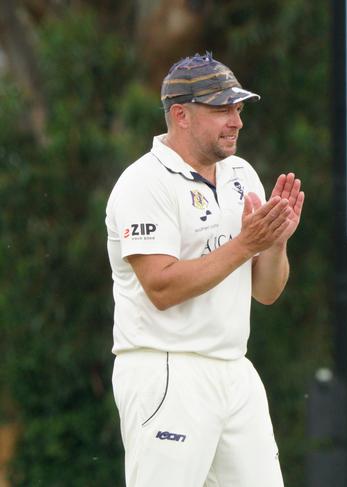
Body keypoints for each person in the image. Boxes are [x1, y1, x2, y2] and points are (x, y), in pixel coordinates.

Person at [105, 53, 303, 487]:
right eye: (222, 109)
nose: (236, 121)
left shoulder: (241, 175)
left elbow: (266, 292)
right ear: (181, 115)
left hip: (234, 369)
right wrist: (245, 243)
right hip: (166, 368)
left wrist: (275, 242)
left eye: (238, 109)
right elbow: (161, 286)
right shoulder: (144, 183)